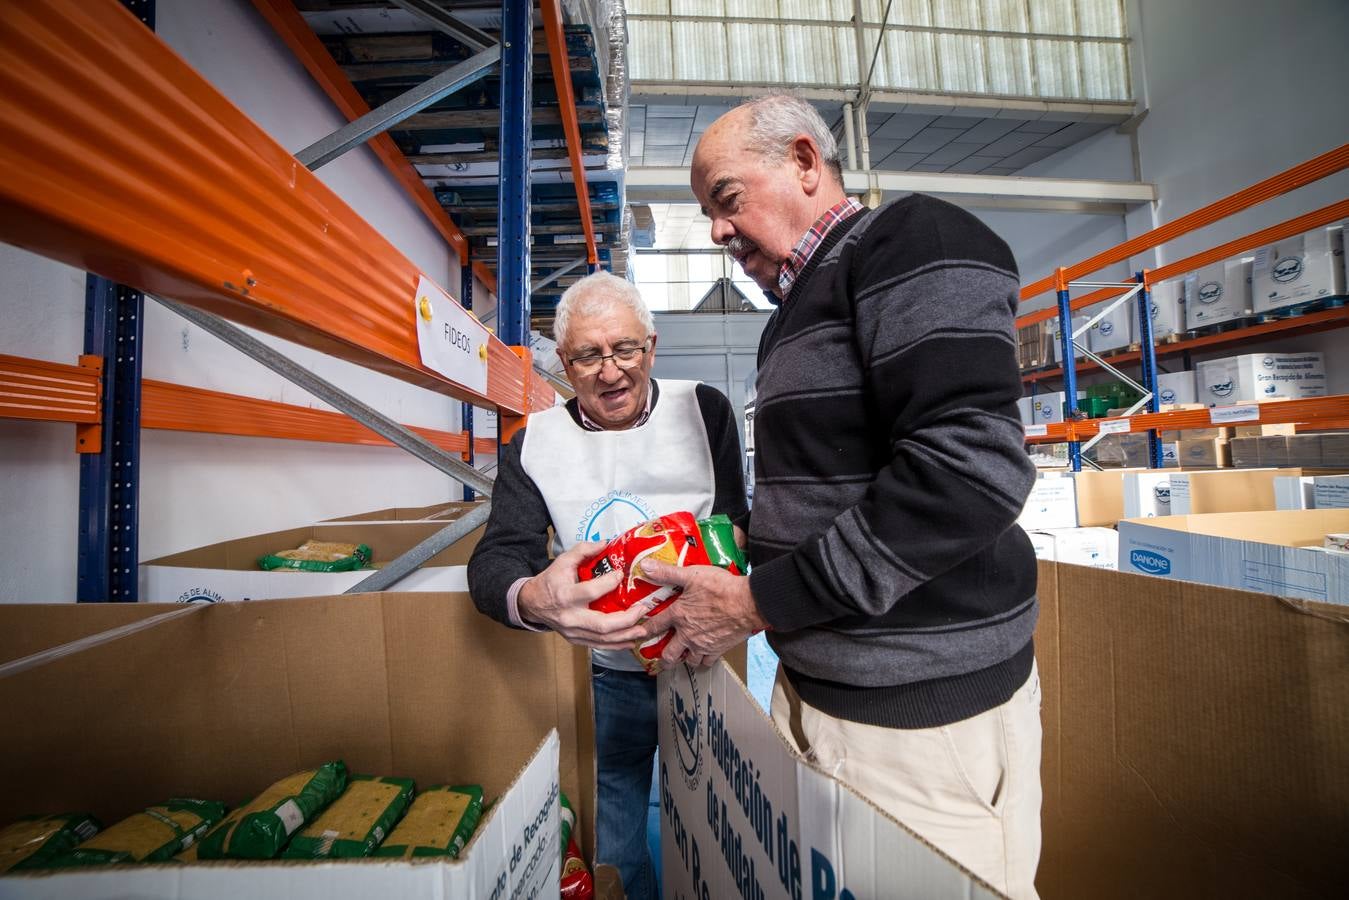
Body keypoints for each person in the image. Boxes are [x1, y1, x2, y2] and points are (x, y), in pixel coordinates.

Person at [637, 94, 1043, 898]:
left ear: (804, 162)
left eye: (726, 199)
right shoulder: (790, 317)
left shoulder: (908, 241)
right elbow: (832, 487)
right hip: (821, 693)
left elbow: (967, 475)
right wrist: (739, 546)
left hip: (919, 718)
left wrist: (755, 601)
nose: (717, 231)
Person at [466, 271, 749, 900]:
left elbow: (743, 527)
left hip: (704, 663)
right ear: (563, 363)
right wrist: (532, 599)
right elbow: (494, 562)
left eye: (625, 349)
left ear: (651, 346)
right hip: (604, 677)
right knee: (617, 845)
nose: (611, 370)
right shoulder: (535, 444)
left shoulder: (705, 410)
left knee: (719, 835)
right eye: (588, 355)